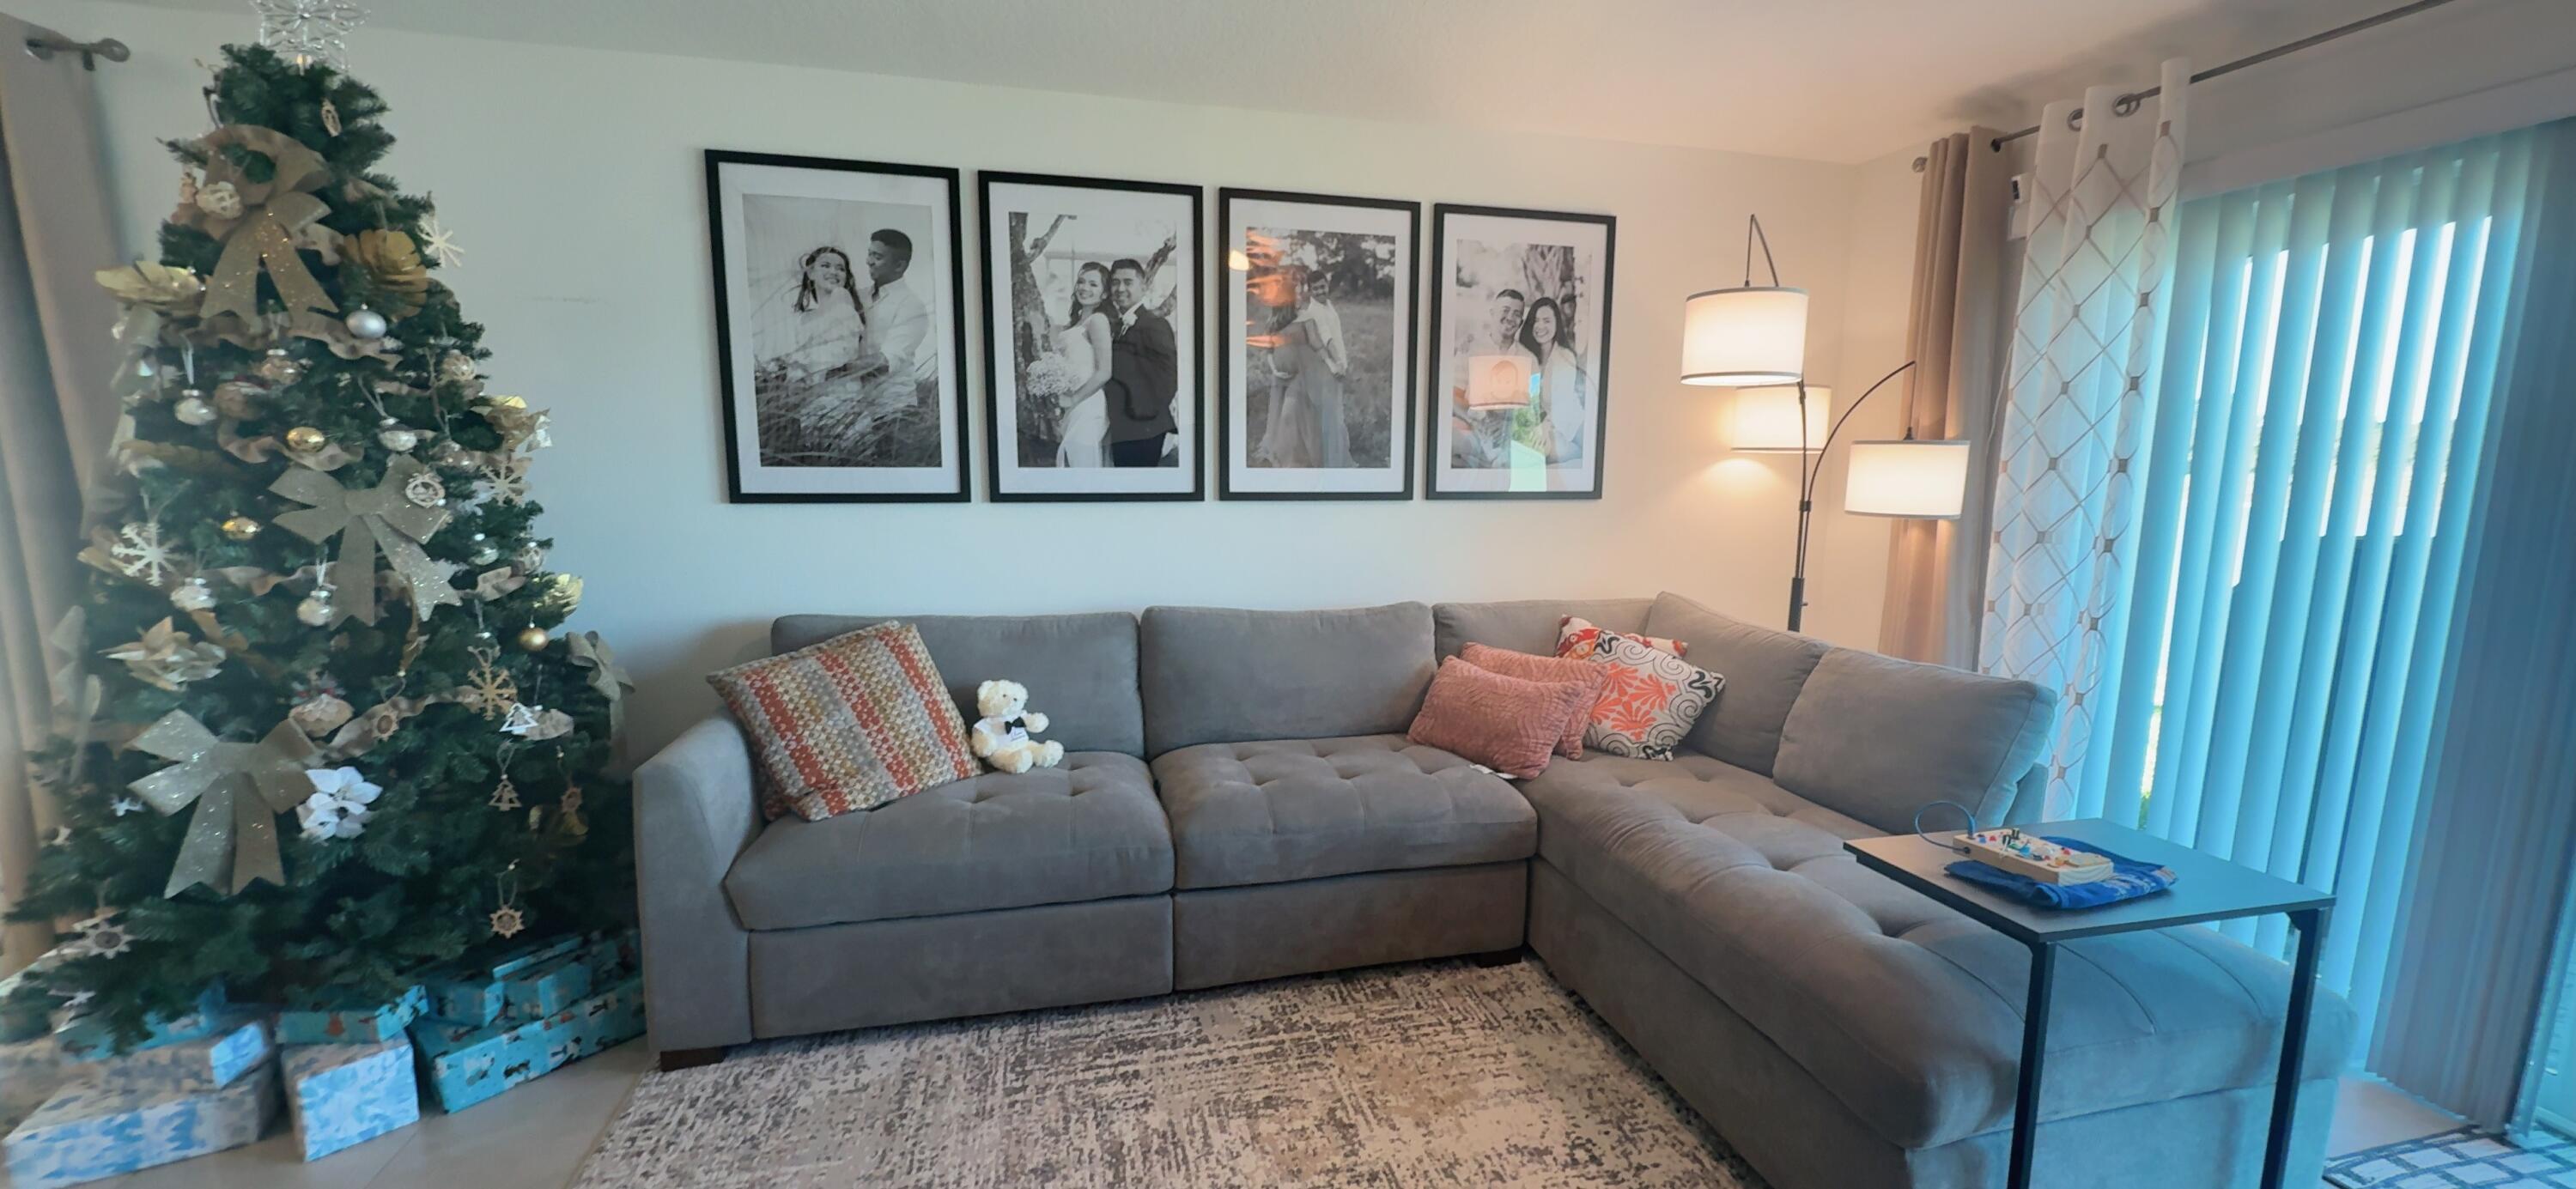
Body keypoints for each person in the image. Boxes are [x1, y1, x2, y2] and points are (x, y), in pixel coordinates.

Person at [1256, 266, 1351, 468]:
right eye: (1298, 294)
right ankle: (1290, 457)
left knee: (1288, 415)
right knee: (1283, 420)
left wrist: (1332, 365)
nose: (1301, 297)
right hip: (1280, 378)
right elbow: (1269, 351)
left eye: (1301, 293)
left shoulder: (1306, 317)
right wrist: (1274, 370)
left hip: (1301, 377)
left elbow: (1317, 345)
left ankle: (1296, 461)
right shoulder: (1274, 322)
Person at [1103, 257, 1178, 467]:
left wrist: (1142, 414)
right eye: (1115, 282)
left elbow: (1169, 376)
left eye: (1128, 282)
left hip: (1144, 427)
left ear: (1143, 287)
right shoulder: (1115, 324)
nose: (1120, 289)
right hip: (1122, 426)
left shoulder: (1155, 324)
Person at [1448, 287, 1534, 468]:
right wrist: (1478, 422)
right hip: (1474, 428)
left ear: (1521, 321)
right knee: (1446, 439)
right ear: (1492, 313)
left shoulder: (1528, 358)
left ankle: (1487, 463)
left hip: (1510, 435)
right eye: (1505, 310)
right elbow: (1453, 397)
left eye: (1517, 314)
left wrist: (1507, 426)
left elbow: (1532, 408)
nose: (1510, 318)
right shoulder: (1470, 349)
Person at [1041, 262, 1115, 467]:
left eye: (1093, 284)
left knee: (1082, 462)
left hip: (1088, 401)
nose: (1084, 288)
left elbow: (1104, 371)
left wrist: (1073, 399)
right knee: (1072, 460)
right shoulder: (1077, 322)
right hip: (1073, 402)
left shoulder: (1098, 321)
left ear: (1104, 294)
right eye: (1081, 282)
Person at [1518, 296, 1589, 464]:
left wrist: (1544, 427)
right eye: (1536, 321)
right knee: (1539, 451)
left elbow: (1561, 404)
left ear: (1557, 324)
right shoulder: (1525, 357)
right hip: (1542, 426)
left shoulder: (1565, 357)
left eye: (1547, 321)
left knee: (1590, 452)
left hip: (1571, 422)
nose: (1540, 326)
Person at [860, 229, 932, 391]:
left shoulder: (911, 305)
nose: (869, 261)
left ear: (899, 266)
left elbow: (887, 361)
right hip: (854, 400)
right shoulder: (859, 296)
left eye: (878, 257)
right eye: (869, 254)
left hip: (893, 402)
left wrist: (835, 369)